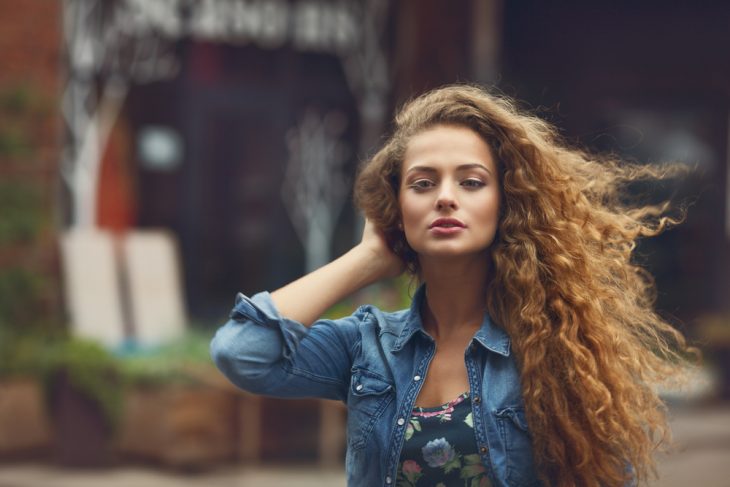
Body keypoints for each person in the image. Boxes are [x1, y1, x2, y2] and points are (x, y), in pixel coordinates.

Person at [210, 84, 696, 487]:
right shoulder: (367, 346)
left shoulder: (557, 349)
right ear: (395, 208)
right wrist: (367, 259)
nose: (445, 197)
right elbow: (243, 352)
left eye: (471, 182)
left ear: (507, 203)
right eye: (422, 183)